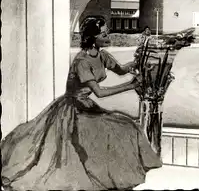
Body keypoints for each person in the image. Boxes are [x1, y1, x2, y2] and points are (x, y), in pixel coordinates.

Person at [1, 16, 162, 191]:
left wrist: (140, 62)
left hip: (87, 105)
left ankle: (114, 175)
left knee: (127, 126)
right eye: (104, 33)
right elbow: (100, 93)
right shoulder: (82, 62)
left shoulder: (101, 55)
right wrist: (130, 86)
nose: (108, 36)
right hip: (72, 110)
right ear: (93, 38)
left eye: (107, 32)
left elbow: (121, 70)